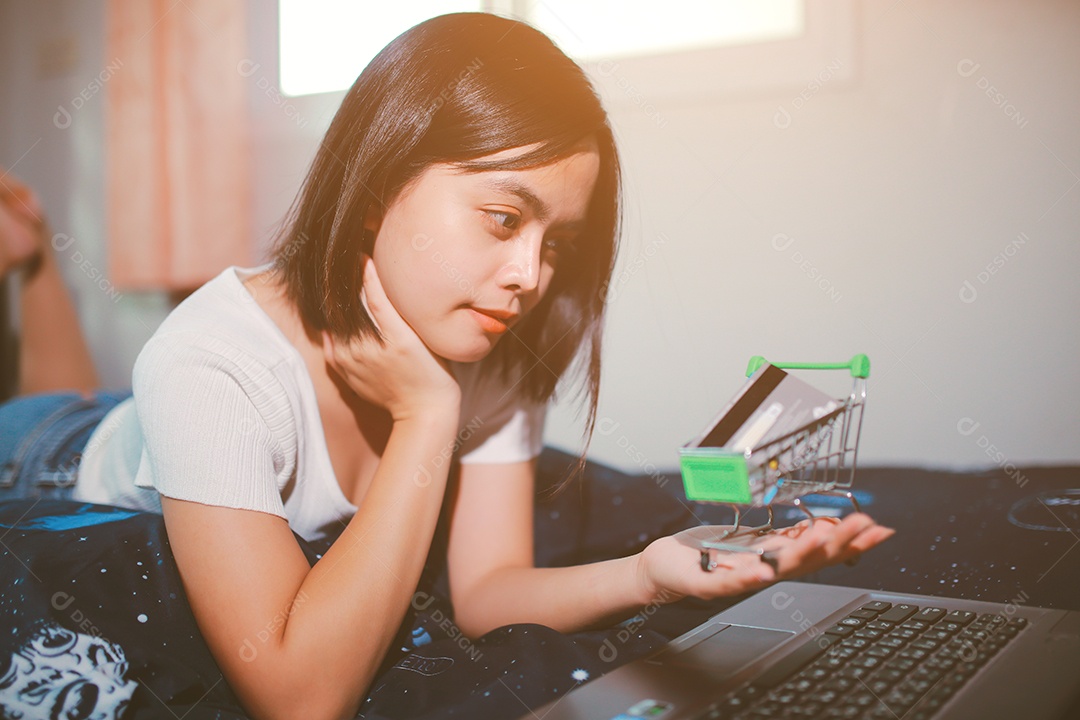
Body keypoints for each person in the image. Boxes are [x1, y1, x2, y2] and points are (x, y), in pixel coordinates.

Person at [0, 13, 894, 720]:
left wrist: (650, 572)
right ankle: (31, 257)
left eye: (558, 242)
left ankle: (25, 255)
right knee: (47, 408)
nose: (532, 276)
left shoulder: (495, 350)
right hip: (54, 452)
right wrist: (428, 418)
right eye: (506, 220)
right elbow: (300, 696)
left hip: (145, 416)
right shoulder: (210, 361)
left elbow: (487, 591)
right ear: (379, 176)